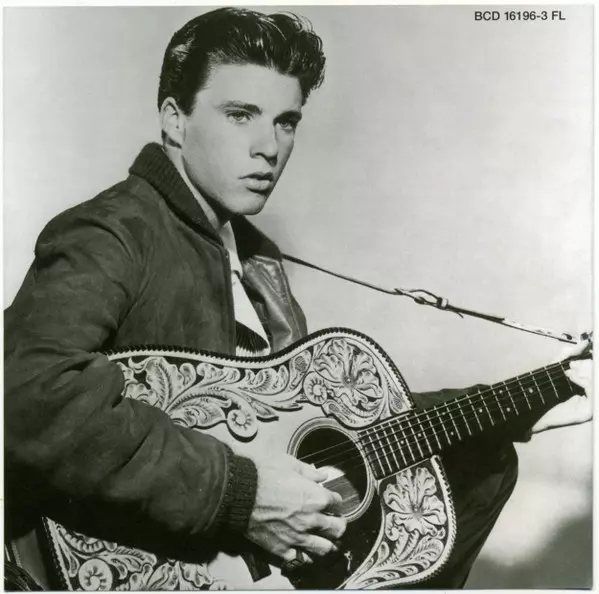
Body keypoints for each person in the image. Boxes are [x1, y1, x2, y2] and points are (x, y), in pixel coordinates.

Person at [4, 7, 591, 591]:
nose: (269, 146)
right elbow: (25, 392)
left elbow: (320, 422)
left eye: (286, 122)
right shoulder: (114, 230)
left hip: (250, 569)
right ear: (175, 120)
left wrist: (517, 402)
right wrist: (241, 493)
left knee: (482, 461)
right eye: (241, 115)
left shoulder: (255, 261)